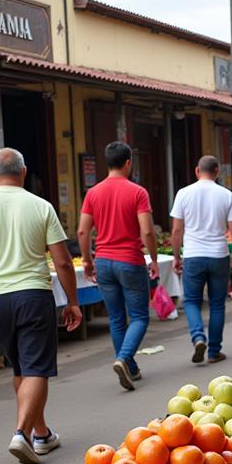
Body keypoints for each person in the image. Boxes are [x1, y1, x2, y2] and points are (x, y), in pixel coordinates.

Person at [0, 147, 80, 464]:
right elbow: (63, 261)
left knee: (23, 368)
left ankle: (41, 434)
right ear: (23, 172)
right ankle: (22, 434)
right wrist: (72, 301)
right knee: (37, 367)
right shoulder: (41, 206)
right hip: (33, 294)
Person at [77, 142, 162, 391]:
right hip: (129, 261)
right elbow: (146, 230)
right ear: (128, 163)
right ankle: (124, 359)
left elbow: (83, 231)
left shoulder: (93, 193)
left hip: (103, 261)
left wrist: (87, 260)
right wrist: (154, 259)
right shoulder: (137, 192)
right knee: (139, 317)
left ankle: (130, 367)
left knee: (116, 318)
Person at [169, 155, 232, 364]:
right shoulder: (226, 195)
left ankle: (198, 337)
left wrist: (176, 256)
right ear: (217, 171)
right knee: (217, 304)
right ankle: (213, 351)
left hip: (192, 254)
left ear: (196, 171)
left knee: (192, 301)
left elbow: (176, 230)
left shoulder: (183, 194)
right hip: (219, 254)